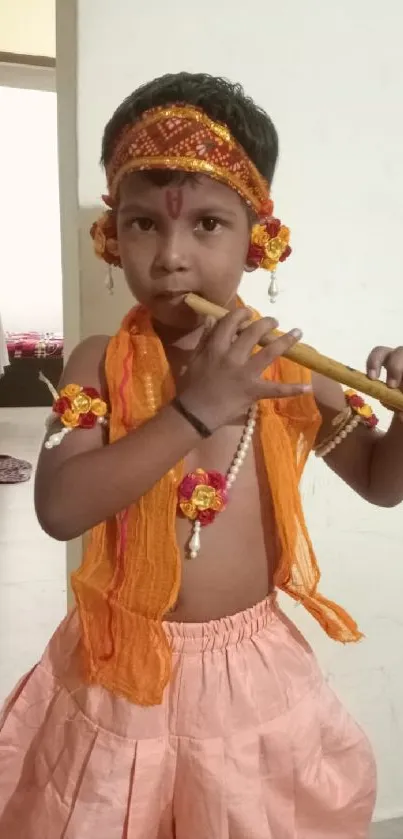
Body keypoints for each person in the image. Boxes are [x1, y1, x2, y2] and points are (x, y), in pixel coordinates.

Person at [2, 71, 403, 839]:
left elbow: (382, 483)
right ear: (112, 234)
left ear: (257, 240)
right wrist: (196, 409)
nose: (171, 257)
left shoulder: (289, 370)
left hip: (248, 682)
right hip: (115, 675)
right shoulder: (96, 362)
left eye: (208, 225)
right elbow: (59, 509)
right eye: (143, 223)